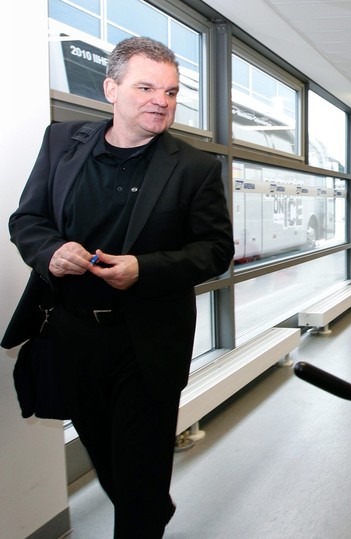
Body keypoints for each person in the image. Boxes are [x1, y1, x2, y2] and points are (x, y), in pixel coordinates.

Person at [5, 37, 234, 537]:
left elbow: (215, 251)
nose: (161, 100)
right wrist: (50, 253)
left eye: (171, 92)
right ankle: (149, 505)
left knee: (138, 467)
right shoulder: (62, 143)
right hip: (72, 335)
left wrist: (142, 269)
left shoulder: (194, 168)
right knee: (109, 456)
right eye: (146, 87)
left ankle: (143, 513)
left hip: (146, 342)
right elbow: (27, 219)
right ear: (111, 88)